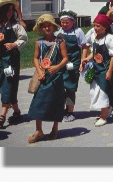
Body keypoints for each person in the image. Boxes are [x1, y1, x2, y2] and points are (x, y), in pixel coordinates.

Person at [0, 0, 28, 127]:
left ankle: (3, 114)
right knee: (5, 84)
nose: (10, 13)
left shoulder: (15, 25)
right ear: (1, 12)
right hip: (0, 59)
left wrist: (15, 44)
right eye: (7, 10)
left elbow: (24, 38)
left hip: (12, 59)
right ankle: (16, 110)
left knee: (8, 82)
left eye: (11, 10)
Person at [27, 14, 68, 143]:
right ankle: (38, 130)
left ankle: (55, 128)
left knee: (56, 102)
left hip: (56, 78)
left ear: (53, 27)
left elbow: (66, 58)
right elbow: (35, 58)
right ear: (41, 29)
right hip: (43, 77)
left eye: (49, 25)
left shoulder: (60, 42)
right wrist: (39, 71)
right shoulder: (39, 43)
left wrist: (57, 67)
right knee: (38, 102)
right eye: (44, 26)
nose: (47, 28)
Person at [80, 14, 113, 127]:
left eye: (98, 26)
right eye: (95, 26)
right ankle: (107, 108)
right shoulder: (94, 37)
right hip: (96, 68)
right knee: (95, 90)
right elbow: (94, 52)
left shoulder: (110, 38)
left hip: (105, 68)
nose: (95, 28)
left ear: (105, 27)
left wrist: (109, 71)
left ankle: (103, 116)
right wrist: (87, 58)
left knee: (103, 92)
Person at [58, 9, 88, 122]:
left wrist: (83, 61)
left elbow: (84, 47)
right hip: (61, 63)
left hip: (73, 63)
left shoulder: (78, 31)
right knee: (60, 87)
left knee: (70, 88)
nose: (65, 24)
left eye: (67, 22)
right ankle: (61, 110)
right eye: (63, 22)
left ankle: (70, 111)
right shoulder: (59, 31)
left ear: (73, 21)